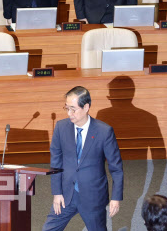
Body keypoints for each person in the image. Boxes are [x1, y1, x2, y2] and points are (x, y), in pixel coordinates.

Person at [43, 86, 123, 231]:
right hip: (66, 195)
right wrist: (57, 192)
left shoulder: (104, 131)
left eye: (73, 109)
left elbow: (116, 169)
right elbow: (56, 163)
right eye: (66, 108)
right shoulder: (61, 128)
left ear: (86, 107)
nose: (69, 113)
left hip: (93, 197)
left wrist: (116, 198)